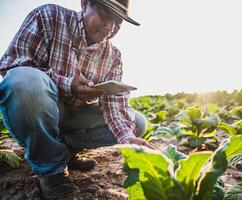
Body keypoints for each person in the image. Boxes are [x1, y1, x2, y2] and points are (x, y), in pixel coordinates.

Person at [0, 0, 152, 199]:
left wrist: (128, 139)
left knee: (137, 123)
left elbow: (115, 106)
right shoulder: (49, 17)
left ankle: (65, 151)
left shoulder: (113, 56)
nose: (110, 27)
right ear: (85, 4)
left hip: (75, 115)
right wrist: (67, 84)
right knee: (23, 80)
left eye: (118, 22)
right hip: (44, 109)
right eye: (106, 14)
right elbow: (13, 65)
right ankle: (51, 170)